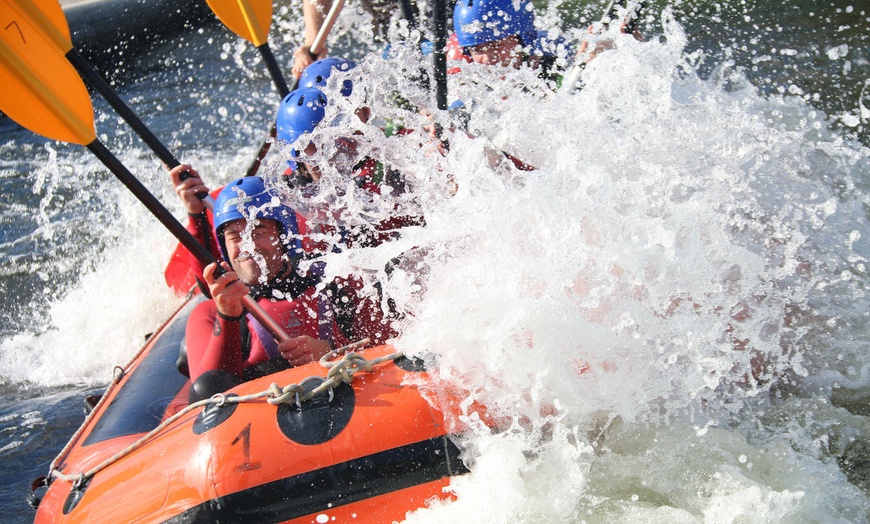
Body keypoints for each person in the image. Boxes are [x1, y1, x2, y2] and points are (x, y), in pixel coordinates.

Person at [177, 175, 352, 402]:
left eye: (258, 232)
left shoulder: (332, 288)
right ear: (224, 246)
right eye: (235, 237)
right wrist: (228, 317)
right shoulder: (209, 314)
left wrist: (331, 351)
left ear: (284, 236)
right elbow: (206, 399)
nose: (247, 246)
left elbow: (388, 351)